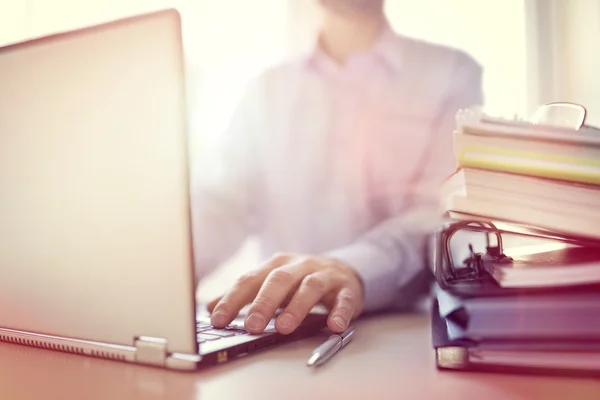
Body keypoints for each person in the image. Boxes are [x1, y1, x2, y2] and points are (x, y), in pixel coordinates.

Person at [191, 0, 483, 336]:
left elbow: (440, 211)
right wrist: (160, 274)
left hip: (401, 335)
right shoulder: (265, 91)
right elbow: (219, 204)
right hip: (278, 333)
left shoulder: (451, 73)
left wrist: (356, 269)